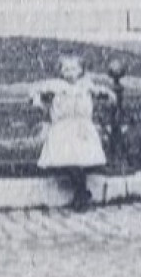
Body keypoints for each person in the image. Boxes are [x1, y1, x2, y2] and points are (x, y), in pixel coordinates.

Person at [32, 55, 112, 211]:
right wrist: (37, 101)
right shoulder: (56, 85)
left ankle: (81, 194)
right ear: (61, 71)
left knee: (80, 159)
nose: (70, 72)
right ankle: (82, 192)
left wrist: (106, 94)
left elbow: (100, 92)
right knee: (65, 160)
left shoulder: (85, 85)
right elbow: (36, 91)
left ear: (81, 70)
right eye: (66, 69)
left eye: (74, 69)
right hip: (63, 129)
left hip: (82, 128)